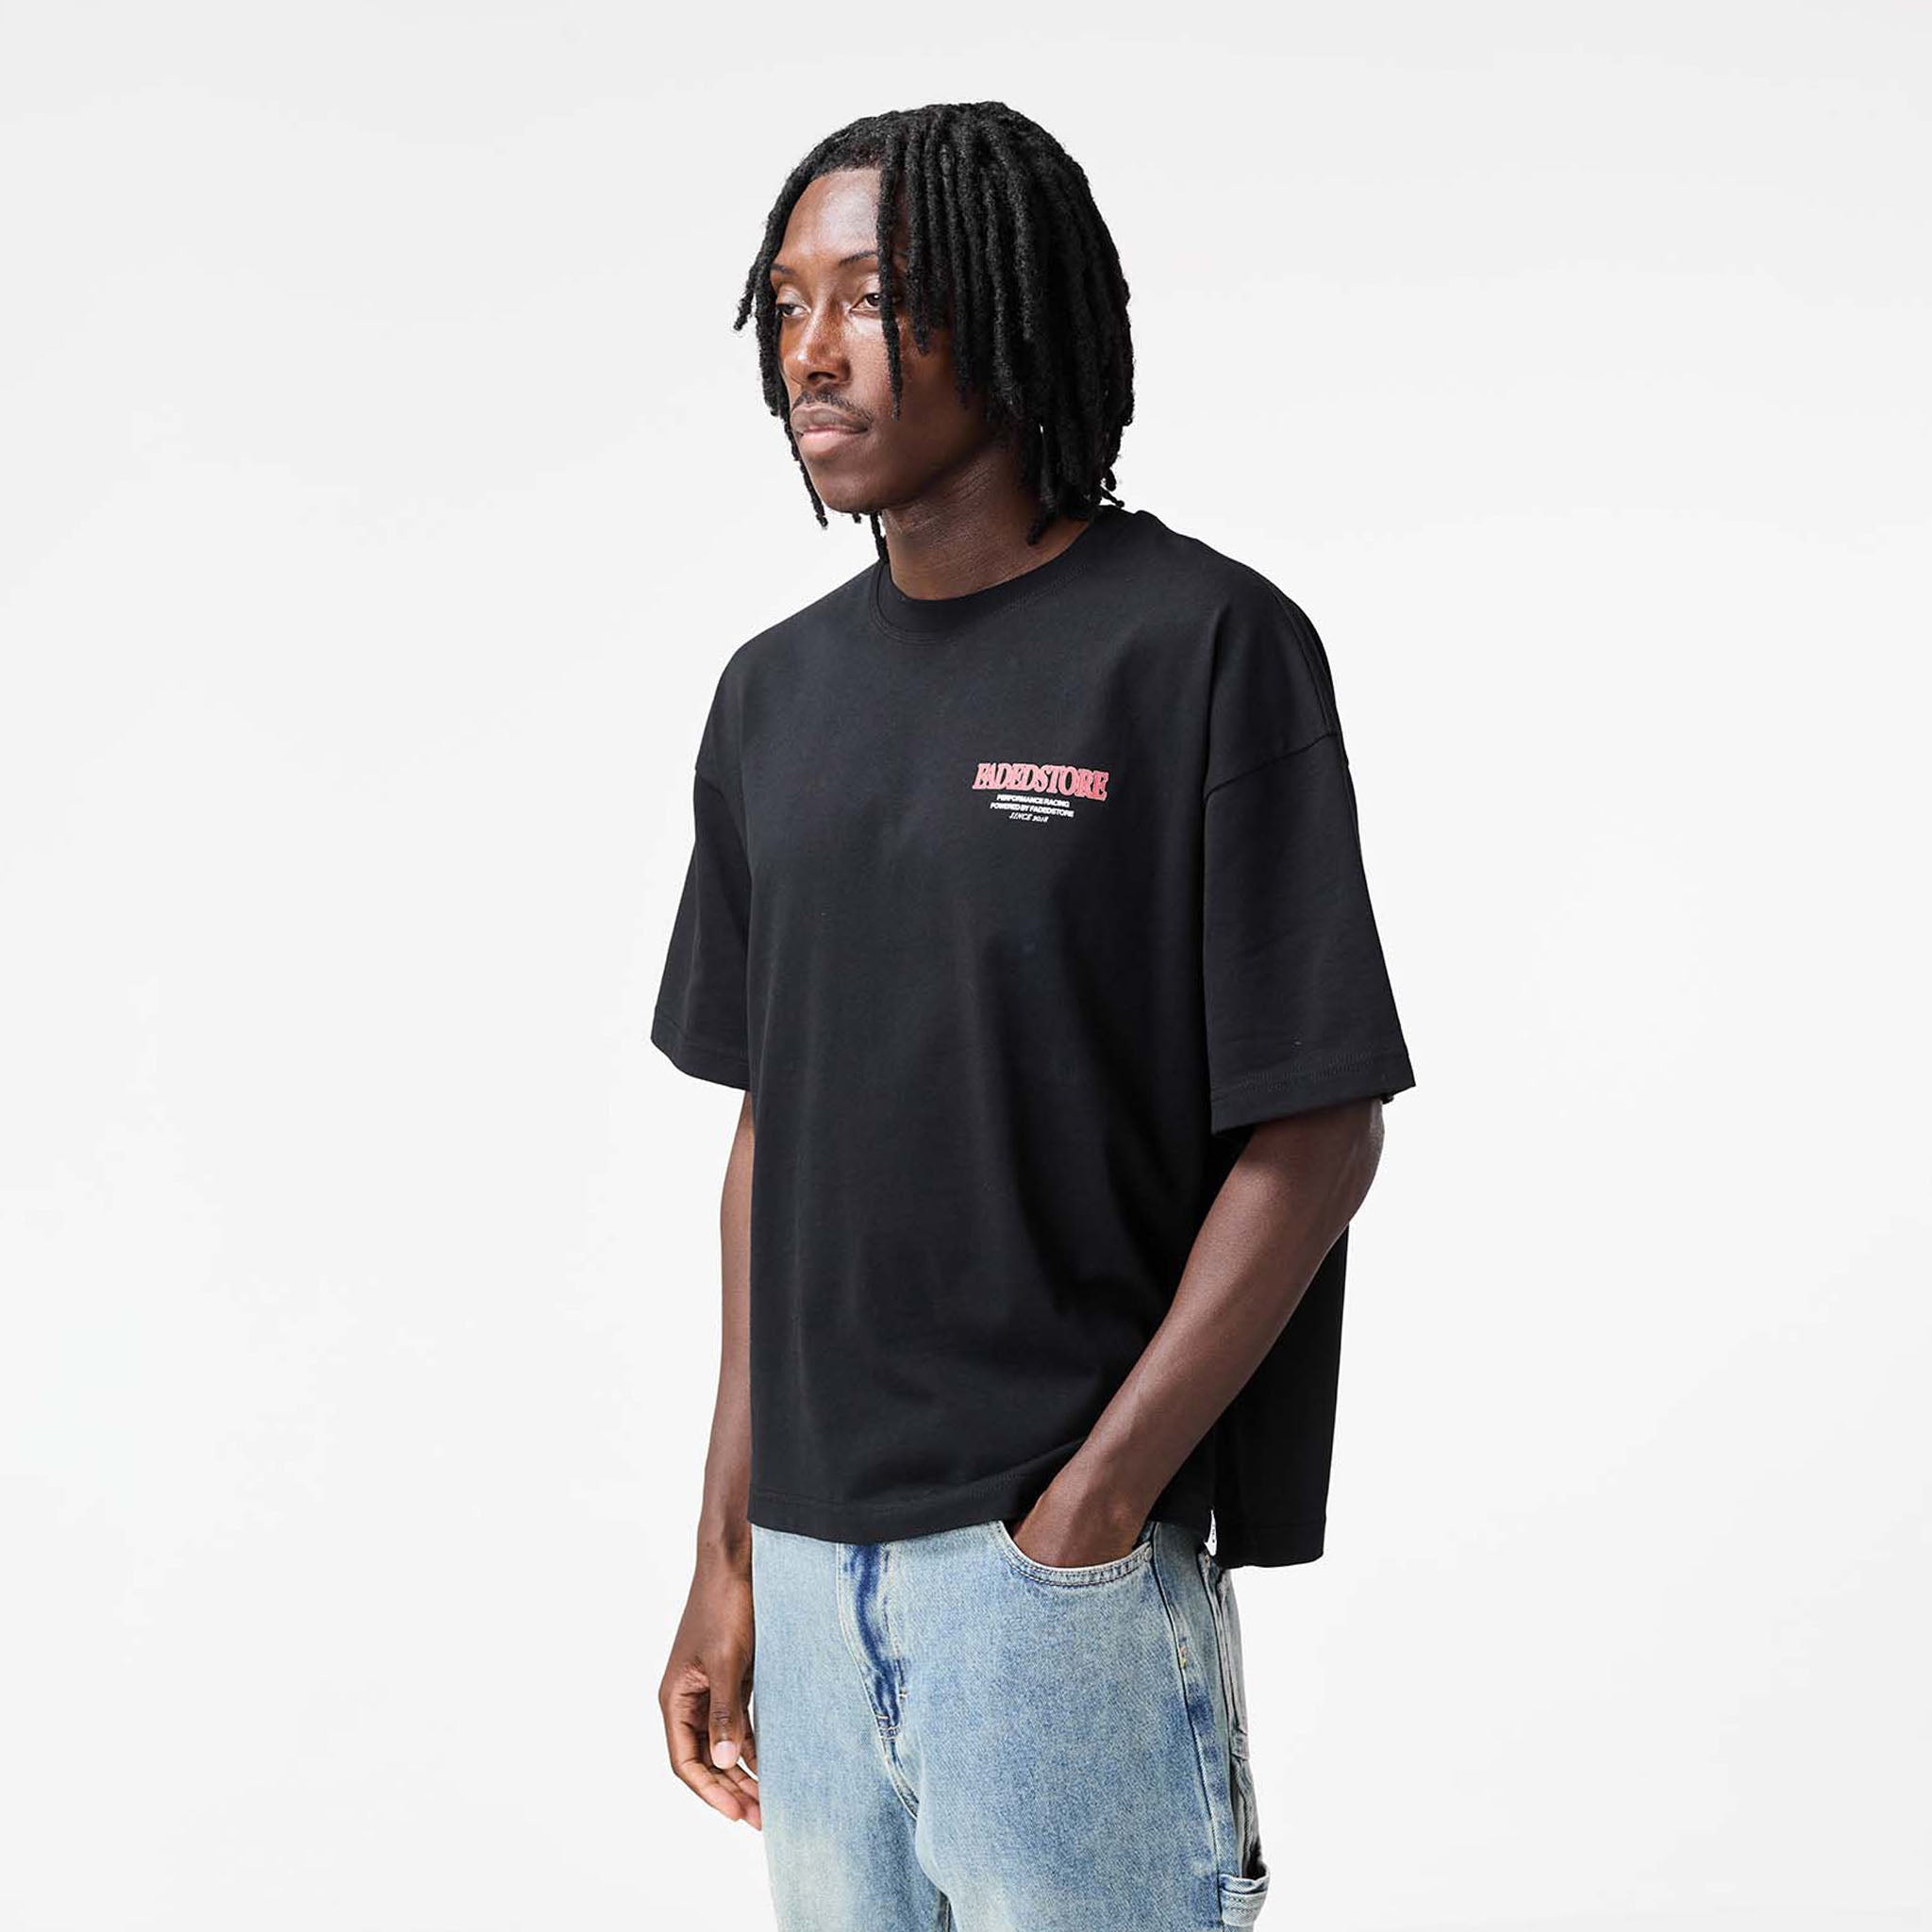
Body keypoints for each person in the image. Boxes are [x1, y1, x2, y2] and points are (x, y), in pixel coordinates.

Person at [650, 100, 1416, 1931]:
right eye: (785, 304)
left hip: (1050, 1577)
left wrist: (1092, 1510)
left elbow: (1317, 1126)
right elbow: (772, 1136)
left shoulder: (1200, 646)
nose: (811, 351)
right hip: (809, 1567)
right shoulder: (772, 697)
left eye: (871, 296)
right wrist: (726, 1550)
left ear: (1009, 310)